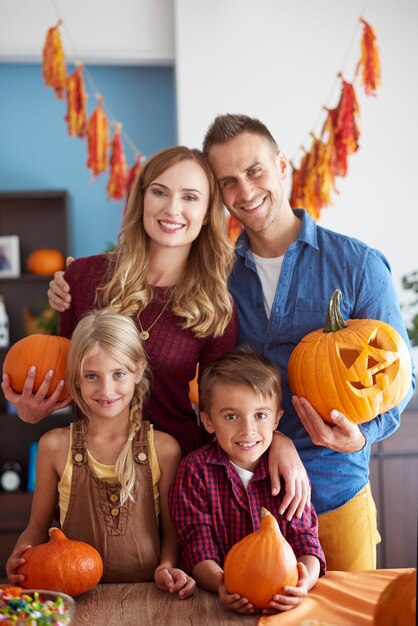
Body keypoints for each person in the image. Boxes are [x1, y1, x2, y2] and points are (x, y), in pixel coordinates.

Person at [200, 113, 415, 570]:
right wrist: (74, 284)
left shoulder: (357, 265)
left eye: (254, 170)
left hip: (335, 496)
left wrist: (360, 438)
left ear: (281, 165)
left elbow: (401, 378)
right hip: (241, 508)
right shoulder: (216, 276)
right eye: (228, 182)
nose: (245, 191)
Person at [2, 146, 238, 458]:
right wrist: (31, 410)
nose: (172, 208)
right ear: (141, 200)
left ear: (207, 213)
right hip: (92, 465)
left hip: (177, 467)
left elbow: (221, 408)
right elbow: (67, 377)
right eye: (159, 192)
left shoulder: (216, 306)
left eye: (190, 197)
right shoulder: (84, 276)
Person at [6, 310, 195, 595]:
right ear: (76, 379)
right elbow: (36, 528)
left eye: (118, 374)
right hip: (76, 599)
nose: (106, 389)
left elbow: (171, 534)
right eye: (92, 375)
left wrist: (167, 566)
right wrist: (21, 554)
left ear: (138, 371)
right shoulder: (55, 446)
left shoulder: (164, 448)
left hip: (150, 596)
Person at [169, 346, 325, 615]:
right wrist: (222, 583)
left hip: (284, 605)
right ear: (208, 421)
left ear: (276, 420)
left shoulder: (290, 475)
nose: (247, 430)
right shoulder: (194, 471)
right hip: (217, 607)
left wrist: (303, 584)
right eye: (231, 416)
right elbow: (197, 545)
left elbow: (306, 540)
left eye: (260, 415)